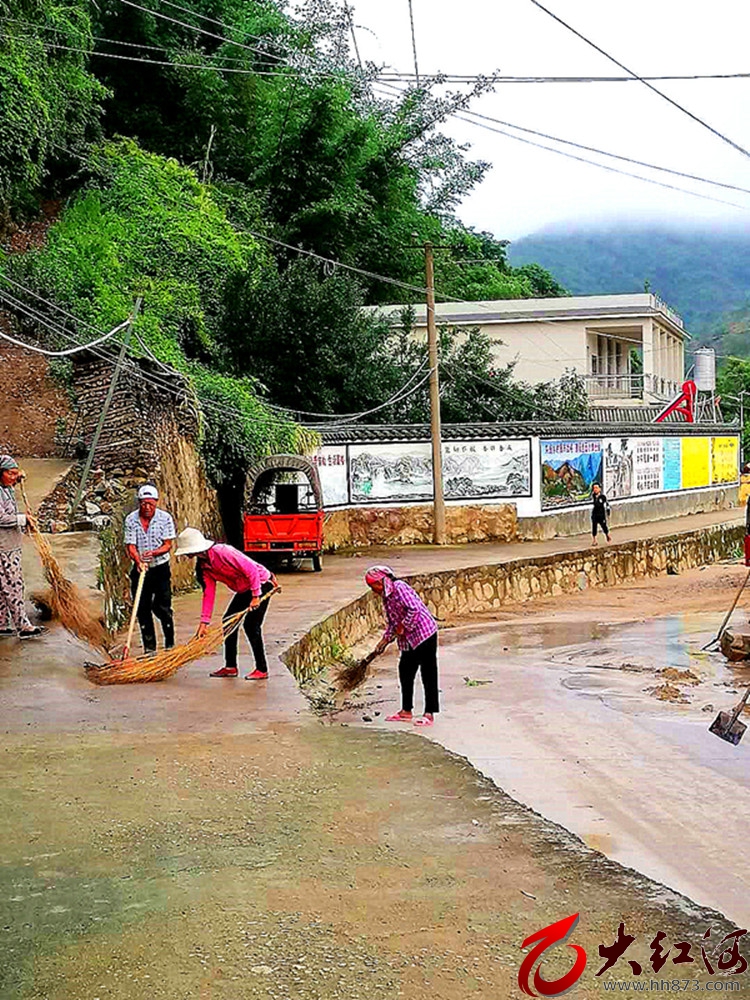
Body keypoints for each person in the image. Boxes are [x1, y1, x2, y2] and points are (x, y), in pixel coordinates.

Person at [174, 527, 277, 679]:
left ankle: (262, 669)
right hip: (244, 589)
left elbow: (251, 570)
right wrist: (204, 623)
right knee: (228, 622)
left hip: (261, 583)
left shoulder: (222, 551)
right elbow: (209, 593)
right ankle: (230, 667)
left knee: (251, 625)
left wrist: (256, 596)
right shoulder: (204, 566)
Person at [365, 565, 439, 728]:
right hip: (407, 639)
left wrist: (404, 626)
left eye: (373, 586)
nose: (373, 590)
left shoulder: (400, 588)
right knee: (405, 670)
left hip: (424, 633)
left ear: (382, 581)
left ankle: (429, 713)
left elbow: (415, 609)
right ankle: (406, 711)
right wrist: (384, 640)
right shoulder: (386, 597)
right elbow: (393, 622)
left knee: (428, 673)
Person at [124, 485, 176, 653]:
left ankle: (169, 643)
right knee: (142, 608)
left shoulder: (165, 518)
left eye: (150, 504)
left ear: (156, 503)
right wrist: (138, 561)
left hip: (160, 568)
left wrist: (153, 553)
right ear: (139, 503)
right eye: (144, 503)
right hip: (140, 569)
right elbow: (130, 546)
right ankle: (150, 648)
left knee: (163, 607)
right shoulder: (131, 520)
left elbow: (167, 544)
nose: (147, 507)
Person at [0, 455, 44, 639]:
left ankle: (1, 622)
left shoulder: (6, 488)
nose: (13, 477)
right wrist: (23, 519)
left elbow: (13, 481)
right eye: (10, 473)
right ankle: (23, 625)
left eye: (15, 474)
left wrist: (18, 476)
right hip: (4, 547)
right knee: (13, 584)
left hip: (11, 544)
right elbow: (1, 518)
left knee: (2, 587)